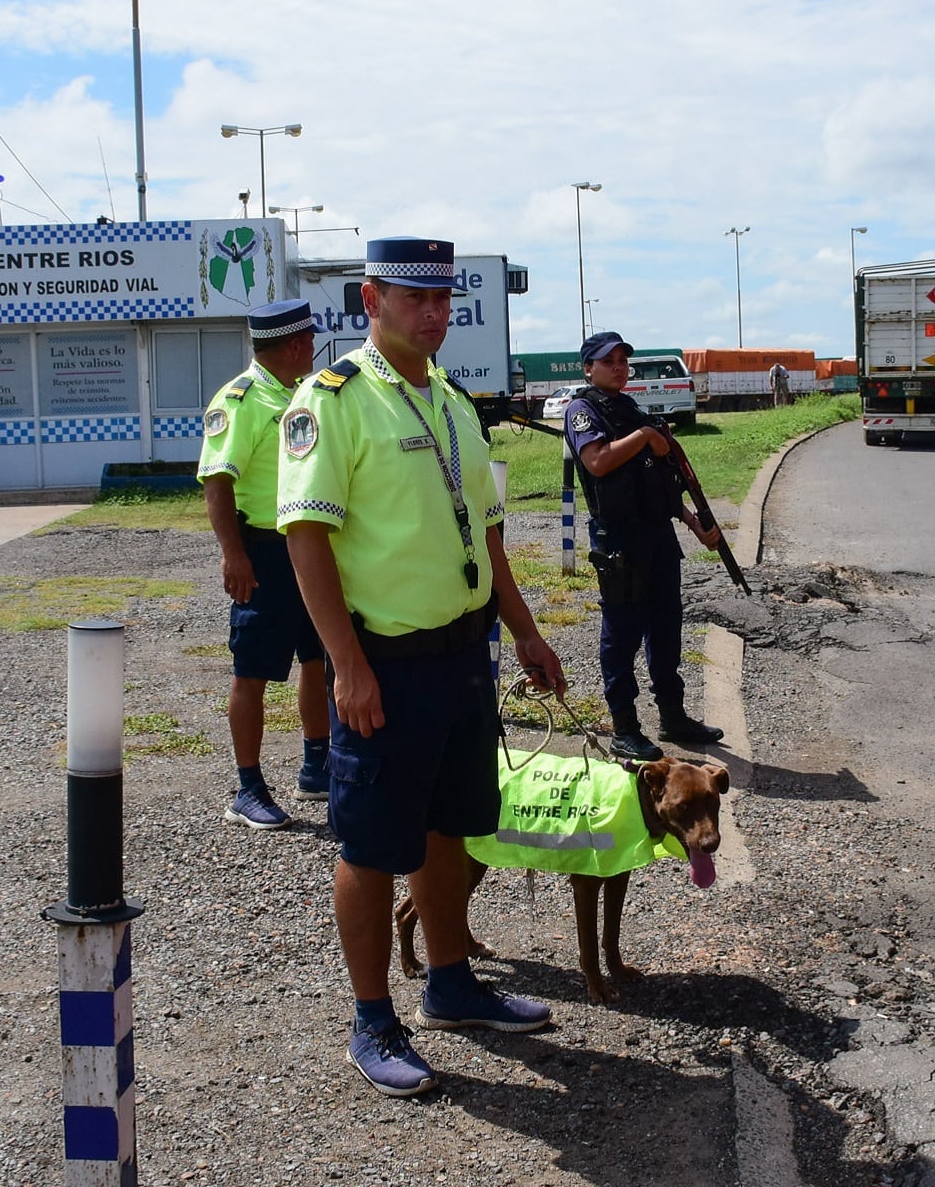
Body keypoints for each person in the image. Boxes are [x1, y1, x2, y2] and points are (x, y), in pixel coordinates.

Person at [278, 236, 568, 1099]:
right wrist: (346, 666)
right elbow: (306, 537)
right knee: (371, 844)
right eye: (416, 299)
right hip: (385, 663)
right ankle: (373, 1018)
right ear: (371, 300)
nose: (435, 315)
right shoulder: (332, 402)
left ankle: (449, 982)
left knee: (452, 825)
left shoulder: (450, 399)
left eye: (445, 300)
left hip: (462, 655)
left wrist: (524, 632)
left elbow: (486, 532)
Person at [198, 299, 331, 830]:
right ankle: (247, 787)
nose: (314, 350)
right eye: (311, 342)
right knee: (252, 669)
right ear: (295, 344)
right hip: (263, 549)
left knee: (318, 656)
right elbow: (217, 480)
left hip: (310, 544)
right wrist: (234, 555)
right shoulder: (241, 400)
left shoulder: (304, 394)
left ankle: (316, 762)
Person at [564, 330, 726, 761]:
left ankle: (673, 717)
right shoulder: (583, 410)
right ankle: (625, 729)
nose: (618, 367)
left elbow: (661, 482)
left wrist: (694, 523)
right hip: (620, 541)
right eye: (608, 360)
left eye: (622, 360)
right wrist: (645, 438)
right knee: (621, 638)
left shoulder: (630, 408)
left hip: (657, 535)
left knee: (666, 630)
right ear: (588, 368)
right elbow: (597, 462)